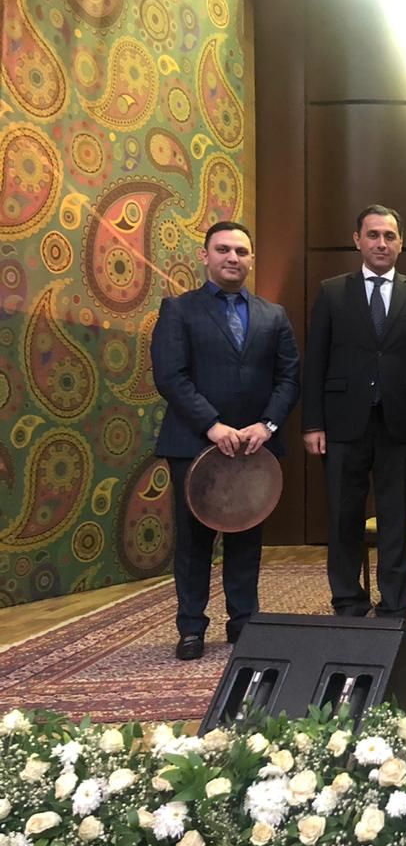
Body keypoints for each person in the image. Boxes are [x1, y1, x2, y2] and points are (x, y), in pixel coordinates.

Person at [152, 221, 300, 660]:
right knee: (194, 540)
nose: (233, 257)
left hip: (255, 447)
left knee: (247, 538)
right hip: (195, 444)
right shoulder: (179, 310)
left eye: (241, 251)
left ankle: (244, 622)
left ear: (251, 259)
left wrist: (267, 425)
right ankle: (191, 627)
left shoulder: (274, 315)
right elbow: (170, 376)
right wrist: (212, 426)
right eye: (223, 249)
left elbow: (289, 378)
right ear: (205, 256)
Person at [301, 204, 406, 636]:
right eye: (373, 235)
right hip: (342, 424)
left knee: (396, 520)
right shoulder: (332, 292)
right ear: (357, 240)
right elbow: (315, 361)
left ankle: (394, 609)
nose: (382, 243)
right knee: (343, 517)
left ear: (401, 243)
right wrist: (312, 424)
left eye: (389, 236)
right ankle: (348, 604)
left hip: (401, 424)